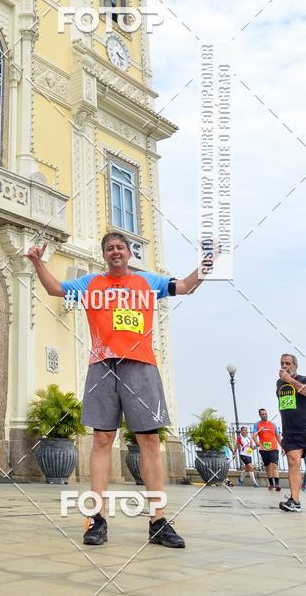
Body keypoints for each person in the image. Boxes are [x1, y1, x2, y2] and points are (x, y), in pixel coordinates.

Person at [25, 232, 217, 549]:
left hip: (141, 365)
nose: (115, 251)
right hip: (103, 365)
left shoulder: (147, 282)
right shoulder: (90, 284)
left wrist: (209, 261)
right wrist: (36, 261)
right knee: (102, 439)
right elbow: (55, 289)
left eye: (120, 247)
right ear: (104, 255)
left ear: (129, 253)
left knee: (150, 441)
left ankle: (158, 521)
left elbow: (184, 286)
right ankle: (96, 519)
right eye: (110, 248)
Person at [277, 353, 306, 512]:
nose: (284, 366)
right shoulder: (279, 384)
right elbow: (285, 407)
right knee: (293, 462)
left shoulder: (302, 379)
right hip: (291, 431)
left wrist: (290, 380)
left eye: (288, 363)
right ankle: (294, 501)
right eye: (282, 363)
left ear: (295, 365)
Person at [252, 408, 282, 491]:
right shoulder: (257, 425)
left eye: (265, 414)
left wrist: (283, 447)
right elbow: (254, 436)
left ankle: (277, 484)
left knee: (274, 465)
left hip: (274, 448)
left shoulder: (273, 425)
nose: (264, 415)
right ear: (260, 415)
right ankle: (271, 484)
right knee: (268, 466)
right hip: (264, 449)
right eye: (262, 414)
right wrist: (259, 445)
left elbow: (278, 437)